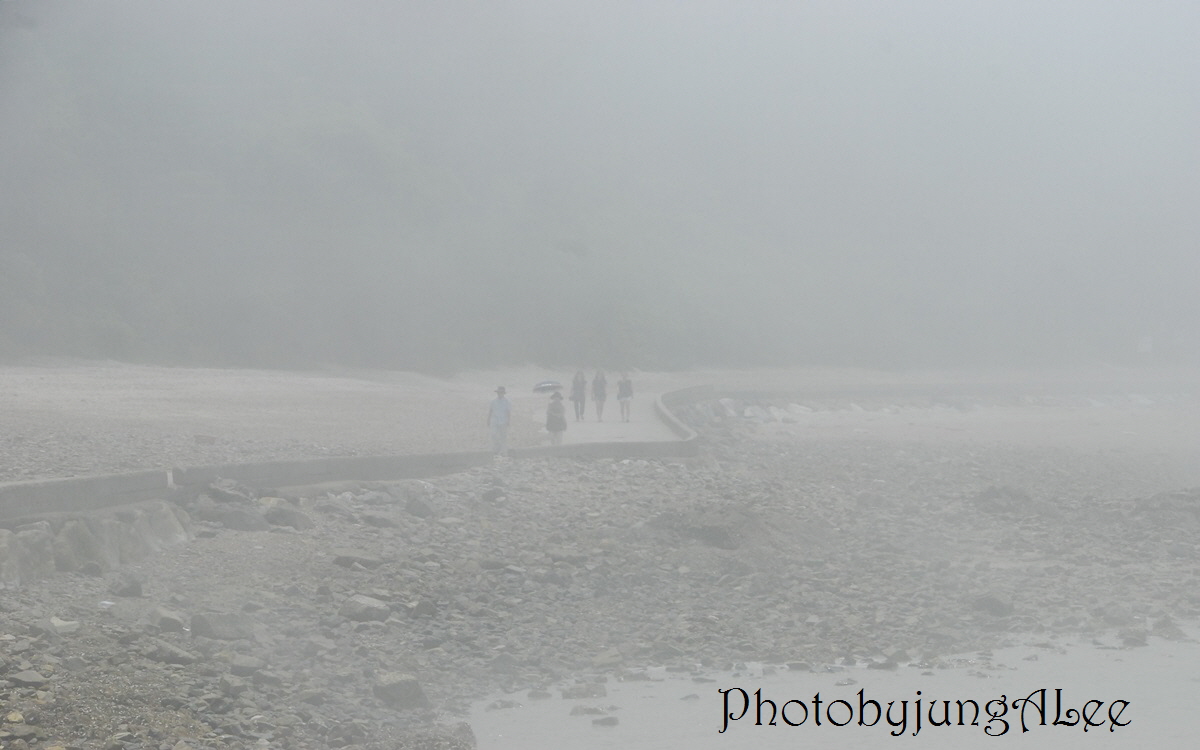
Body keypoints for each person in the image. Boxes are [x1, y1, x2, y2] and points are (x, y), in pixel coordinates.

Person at [487, 386, 511, 456]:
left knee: (503, 436)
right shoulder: (493, 401)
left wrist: (508, 421)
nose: (500, 394)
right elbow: (490, 410)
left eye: (501, 392)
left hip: (503, 421)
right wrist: (488, 419)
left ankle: (503, 451)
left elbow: (508, 412)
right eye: (499, 392)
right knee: (493, 434)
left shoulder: (507, 401)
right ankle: (496, 449)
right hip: (494, 420)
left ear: (503, 393)